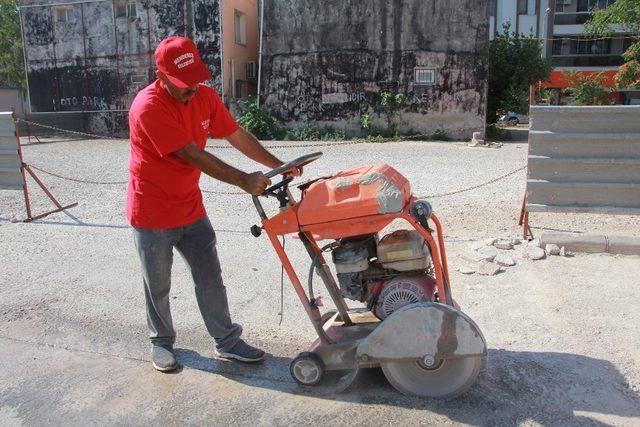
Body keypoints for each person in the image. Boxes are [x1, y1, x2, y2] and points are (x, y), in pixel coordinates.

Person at [127, 35, 296, 372]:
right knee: (157, 284)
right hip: (152, 212)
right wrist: (244, 181)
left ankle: (227, 342)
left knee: (210, 276)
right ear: (161, 77)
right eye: (182, 83)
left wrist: (279, 165)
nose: (192, 88)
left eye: (195, 80)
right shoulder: (148, 107)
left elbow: (237, 135)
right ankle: (160, 342)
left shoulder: (204, 97)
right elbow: (193, 155)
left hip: (191, 207)